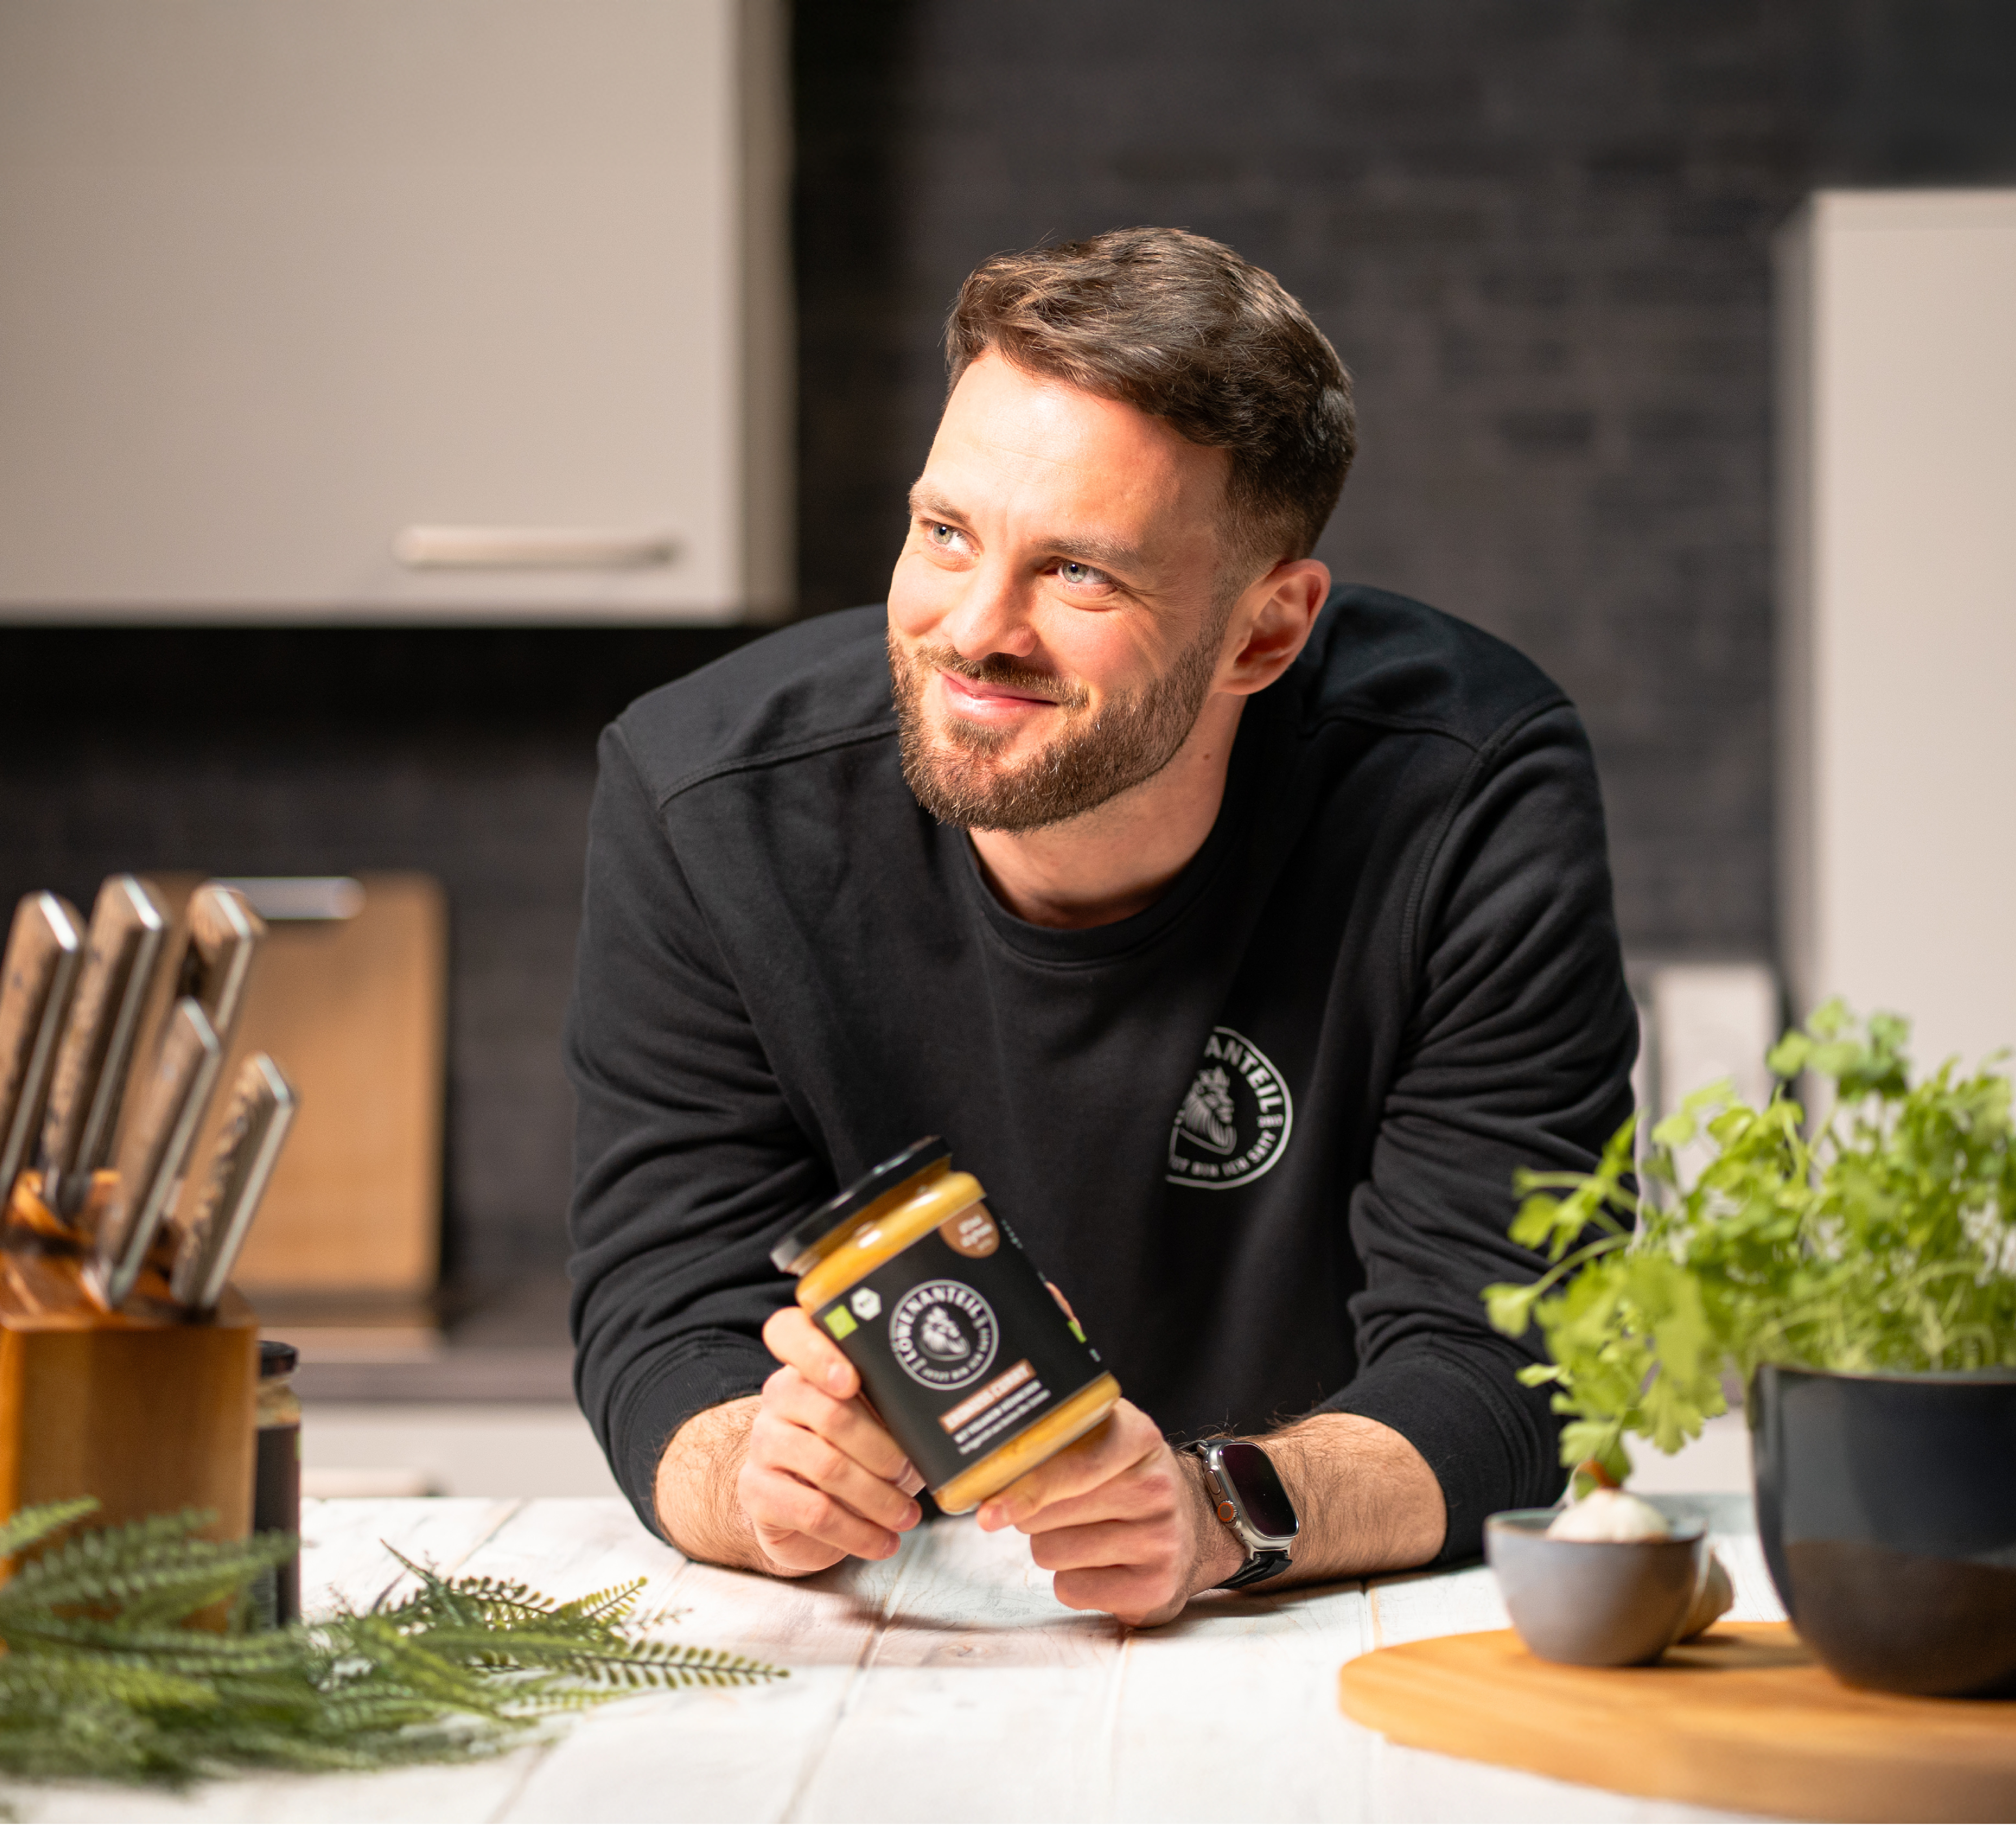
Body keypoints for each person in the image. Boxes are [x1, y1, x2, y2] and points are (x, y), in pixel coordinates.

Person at [566, 227, 1637, 1628]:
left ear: (1265, 633)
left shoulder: (1469, 788)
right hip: (898, 1631)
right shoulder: (704, 800)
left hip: (1319, 1622)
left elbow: (1512, 1358)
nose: (974, 630)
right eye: (946, 533)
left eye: (1078, 572)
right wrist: (760, 1473)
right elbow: (664, 1312)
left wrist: (1215, 1508)